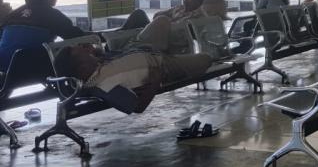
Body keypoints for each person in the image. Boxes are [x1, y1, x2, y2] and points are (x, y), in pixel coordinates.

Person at [54, 36, 211, 114]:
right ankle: (175, 53)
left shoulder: (97, 67)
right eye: (83, 51)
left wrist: (100, 54)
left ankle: (171, 49)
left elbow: (118, 58)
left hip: (143, 47)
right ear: (82, 68)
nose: (86, 49)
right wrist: (155, 81)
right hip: (163, 65)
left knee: (161, 20)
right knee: (206, 58)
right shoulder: (104, 86)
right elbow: (137, 107)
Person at [0, 0, 86, 73]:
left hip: (3, 68)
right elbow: (76, 36)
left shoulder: (12, 15)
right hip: (32, 70)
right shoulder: (51, 15)